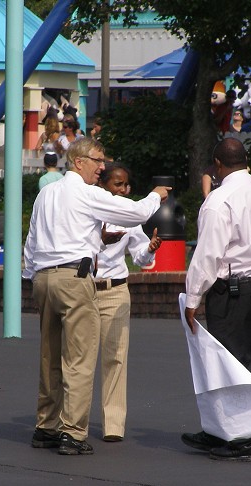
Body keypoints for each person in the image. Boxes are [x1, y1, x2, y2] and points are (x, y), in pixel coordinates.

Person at [23, 138, 171, 456]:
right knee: (80, 358)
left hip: (44, 278)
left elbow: (32, 240)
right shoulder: (87, 193)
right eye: (98, 160)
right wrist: (156, 196)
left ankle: (46, 427)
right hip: (74, 279)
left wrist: (30, 277)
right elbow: (135, 213)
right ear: (79, 162)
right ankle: (73, 433)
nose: (102, 167)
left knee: (50, 356)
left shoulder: (46, 193)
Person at [182, 137, 251, 462]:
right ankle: (218, 430)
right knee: (244, 359)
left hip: (234, 289)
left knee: (228, 363)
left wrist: (193, 296)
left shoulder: (219, 200)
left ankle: (242, 440)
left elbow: (208, 253)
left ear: (218, 165)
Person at [94, 163, 162, 442]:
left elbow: (143, 260)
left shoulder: (130, 217)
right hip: (84, 289)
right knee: (78, 361)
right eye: (117, 185)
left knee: (116, 358)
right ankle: (72, 423)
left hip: (115, 291)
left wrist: (149, 248)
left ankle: (113, 424)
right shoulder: (87, 209)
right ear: (103, 186)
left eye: (126, 186)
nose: (123, 190)